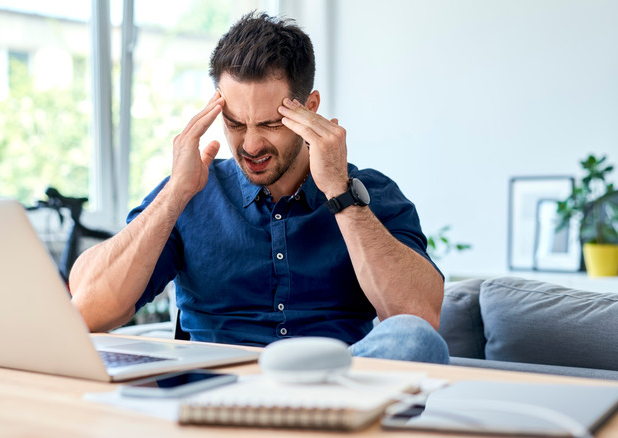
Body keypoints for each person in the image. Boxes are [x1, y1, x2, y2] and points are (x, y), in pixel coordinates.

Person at [69, 12, 449, 364]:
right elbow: (87, 308)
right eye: (235, 123)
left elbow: (418, 318)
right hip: (215, 391)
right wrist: (174, 196)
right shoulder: (193, 190)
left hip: (333, 390)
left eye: (269, 124)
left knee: (415, 339)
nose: (250, 146)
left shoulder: (370, 192)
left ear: (310, 108)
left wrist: (340, 192)